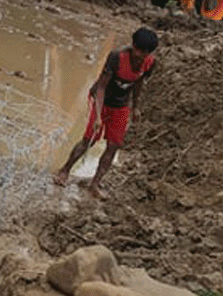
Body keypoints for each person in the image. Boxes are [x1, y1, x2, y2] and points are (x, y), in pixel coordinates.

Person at [53, 27, 159, 198]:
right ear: (133, 45)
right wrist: (98, 115)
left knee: (114, 145)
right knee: (90, 139)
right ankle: (64, 170)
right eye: (138, 50)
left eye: (144, 53)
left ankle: (95, 184)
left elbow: (139, 83)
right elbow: (101, 87)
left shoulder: (150, 63)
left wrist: (135, 106)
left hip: (121, 104)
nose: (139, 55)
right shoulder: (117, 57)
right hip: (102, 100)